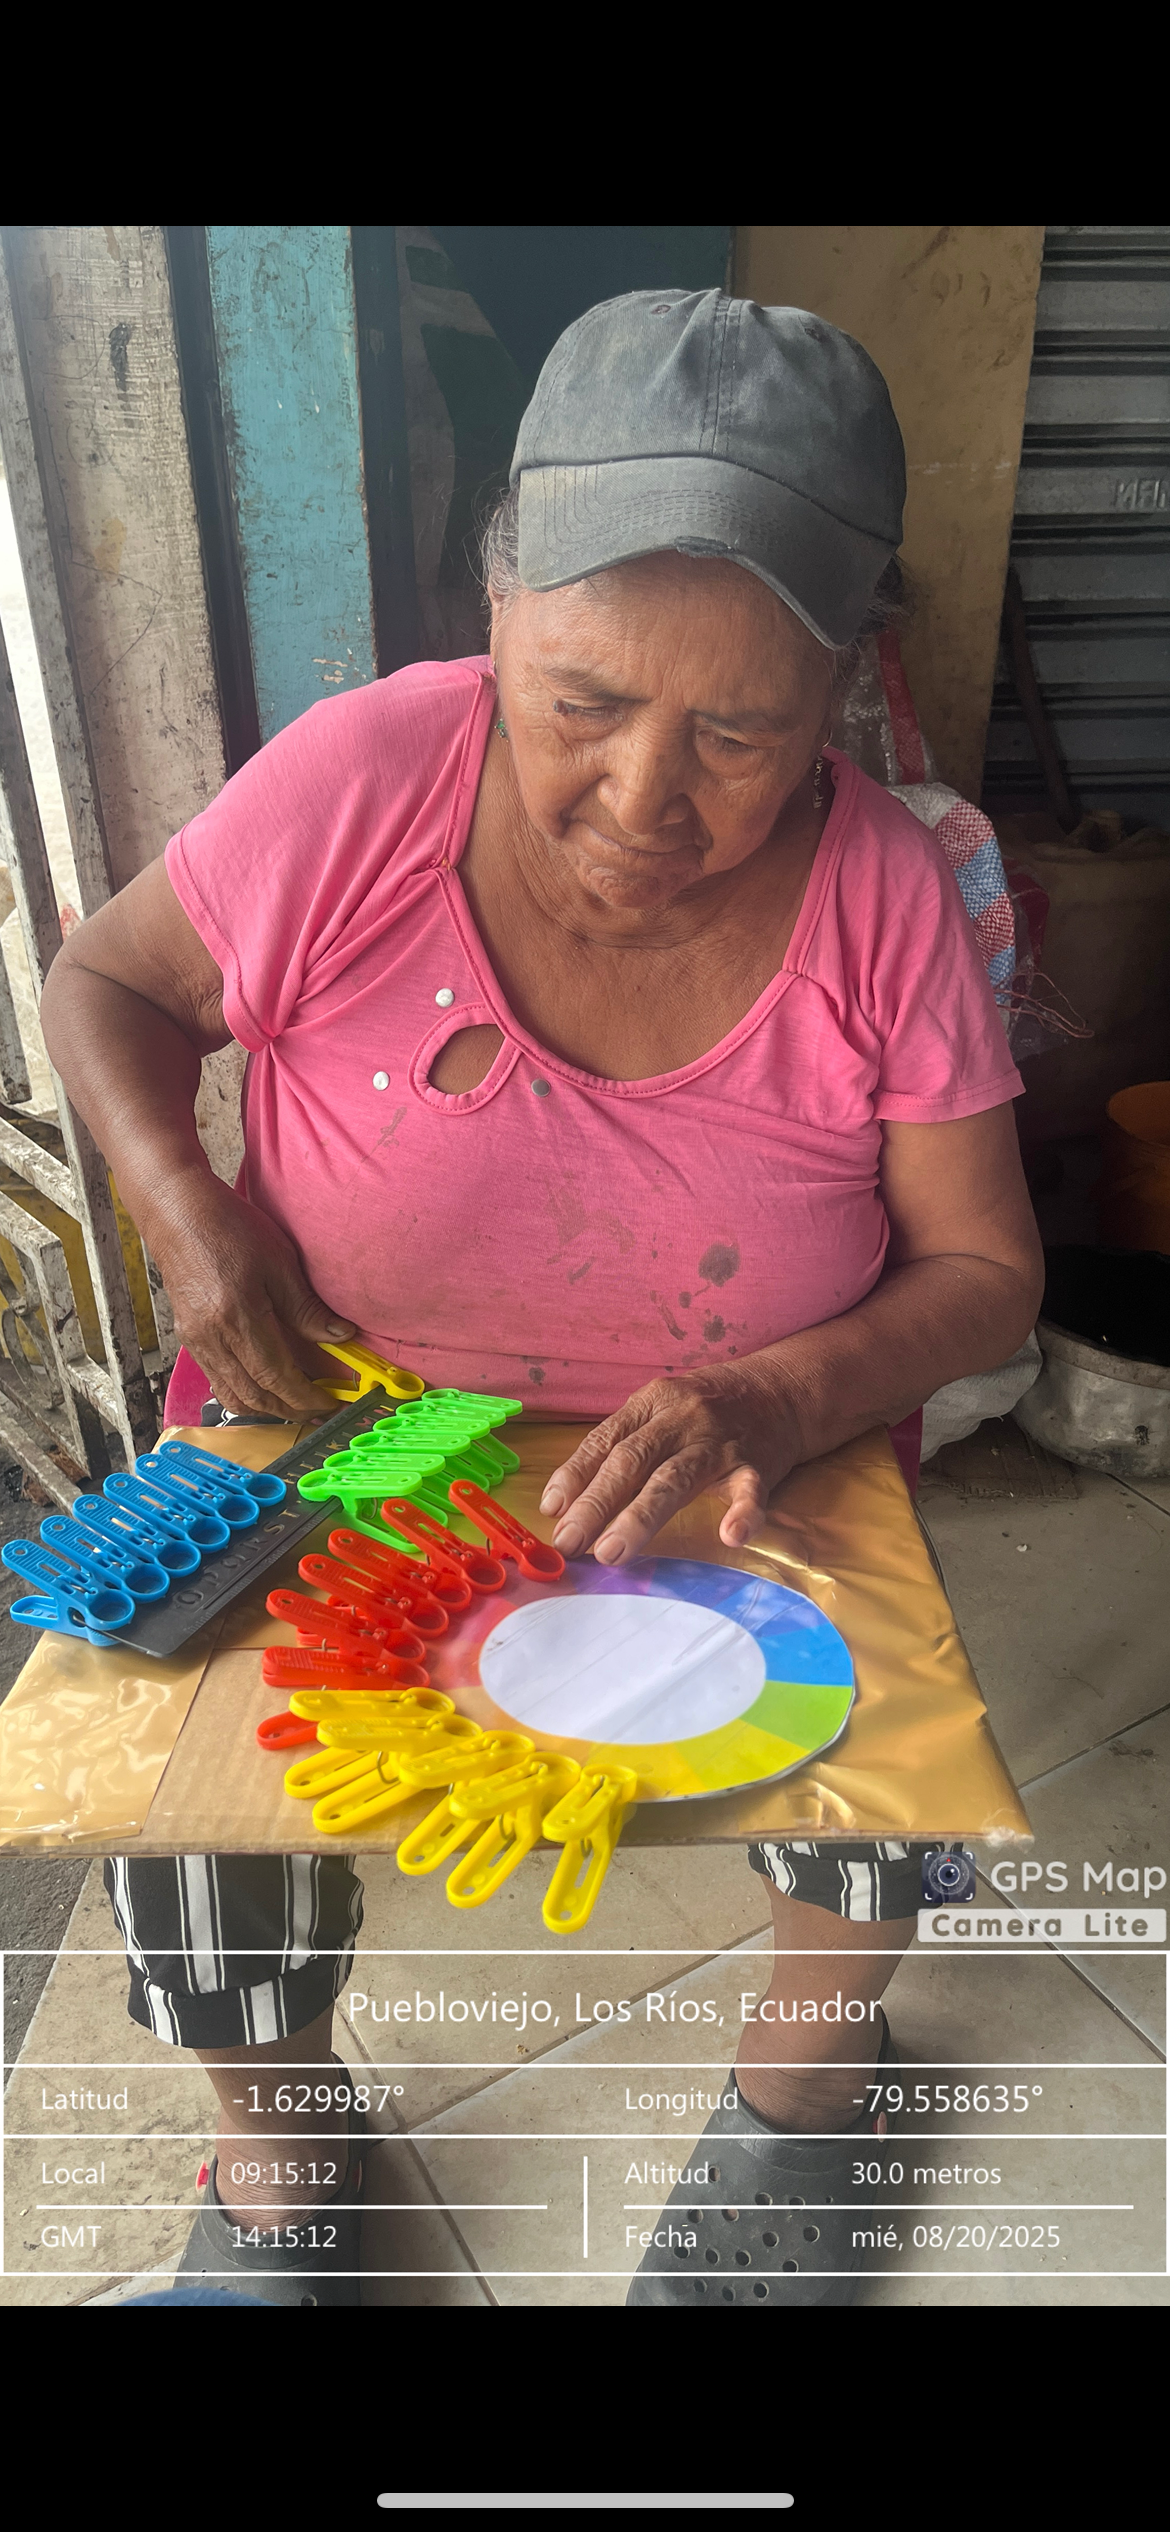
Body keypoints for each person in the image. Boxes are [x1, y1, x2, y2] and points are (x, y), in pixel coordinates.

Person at [41, 289, 1043, 2307]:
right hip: (354, 1410)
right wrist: (189, 1212)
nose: (641, 797)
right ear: (492, 606)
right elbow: (105, 984)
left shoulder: (889, 892)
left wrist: (779, 1399)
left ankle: (805, 2095)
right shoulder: (360, 782)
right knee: (188, 1792)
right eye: (579, 698)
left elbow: (987, 1272)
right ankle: (278, 2159)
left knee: (882, 1772)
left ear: (844, 687)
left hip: (740, 1447)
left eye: (739, 733)